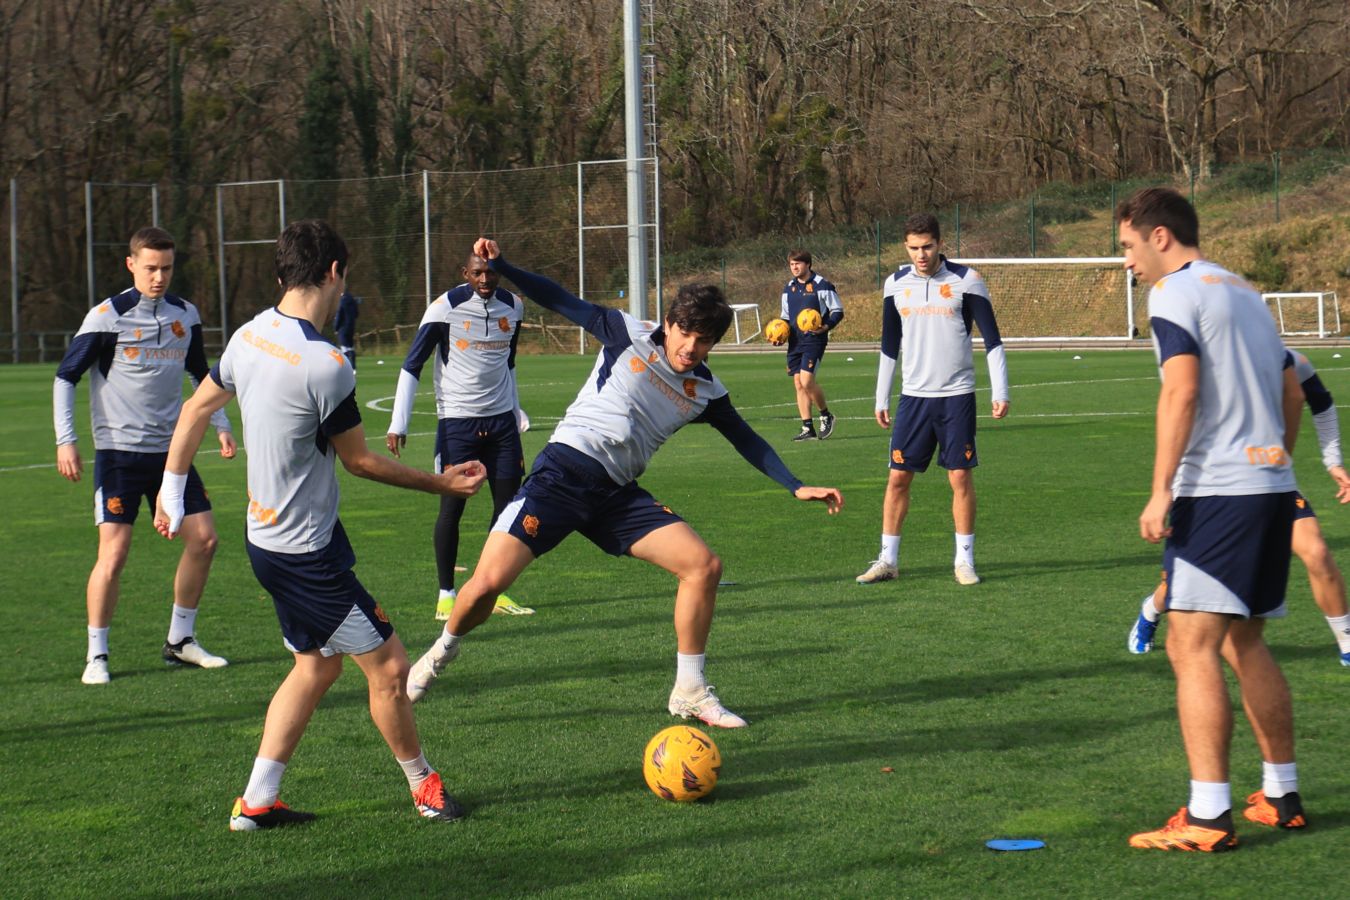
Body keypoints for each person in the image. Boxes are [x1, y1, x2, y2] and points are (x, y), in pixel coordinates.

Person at [406, 238, 844, 728]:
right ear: (670, 323)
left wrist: (794, 484)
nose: (690, 349)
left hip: (616, 495)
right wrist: (503, 266)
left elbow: (748, 440)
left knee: (703, 566)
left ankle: (690, 691)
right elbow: (558, 298)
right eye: (685, 334)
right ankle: (441, 652)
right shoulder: (623, 332)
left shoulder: (705, 389)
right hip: (561, 475)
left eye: (703, 342)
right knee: (486, 585)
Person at [153, 220, 487, 830]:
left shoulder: (249, 335)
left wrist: (171, 492)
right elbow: (358, 461)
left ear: (283, 273)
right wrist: (444, 482)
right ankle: (425, 789)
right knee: (389, 669)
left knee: (315, 666)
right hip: (305, 555)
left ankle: (256, 802)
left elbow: (195, 407)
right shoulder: (325, 363)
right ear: (335, 273)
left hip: (269, 542)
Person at [1120, 187, 1307, 852]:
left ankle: (1207, 816)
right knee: (1244, 641)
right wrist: (1275, 462)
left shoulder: (1174, 293)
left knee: (1189, 645)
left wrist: (1159, 489)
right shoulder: (1247, 292)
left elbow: (1183, 387)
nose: (1128, 263)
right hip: (1269, 485)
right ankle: (1281, 794)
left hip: (1218, 492)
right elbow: (1293, 390)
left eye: (1128, 246)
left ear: (1160, 236)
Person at [54, 226, 235, 685]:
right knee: (113, 555)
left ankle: (180, 641)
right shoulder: (105, 318)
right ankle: (97, 655)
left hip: (172, 453)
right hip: (118, 455)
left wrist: (221, 425)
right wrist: (65, 440)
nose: (159, 277)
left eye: (167, 268)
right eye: (150, 267)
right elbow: (65, 377)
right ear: (131, 264)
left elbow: (201, 374)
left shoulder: (185, 315)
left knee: (205, 539)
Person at [1129, 349, 1350, 666]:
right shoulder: (1202, 361)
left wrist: (1333, 462)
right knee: (1189, 584)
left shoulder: (1290, 360)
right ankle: (1151, 609)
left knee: (1315, 551)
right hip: (1208, 488)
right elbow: (1176, 411)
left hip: (1269, 480)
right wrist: (1164, 491)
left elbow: (1320, 403)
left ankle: (1346, 642)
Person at [856, 214, 1008, 587]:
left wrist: (1000, 389)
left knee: (959, 476)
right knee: (897, 479)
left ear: (940, 244)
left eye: (927, 247)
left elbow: (992, 340)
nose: (920, 255)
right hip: (913, 398)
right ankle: (888, 560)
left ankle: (964, 561)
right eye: (913, 248)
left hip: (956, 396)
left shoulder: (966, 281)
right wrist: (881, 396)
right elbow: (889, 344)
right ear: (905, 247)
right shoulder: (895, 285)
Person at [386, 252, 535, 619]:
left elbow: (509, 364)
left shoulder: (514, 307)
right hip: (458, 424)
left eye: (492, 272)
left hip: (501, 424)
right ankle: (446, 594)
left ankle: (495, 590)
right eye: (478, 272)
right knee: (452, 508)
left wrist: (516, 409)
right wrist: (398, 422)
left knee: (507, 510)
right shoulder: (444, 308)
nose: (485, 279)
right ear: (465, 273)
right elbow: (412, 364)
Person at [775, 250, 844, 441]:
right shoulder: (789, 288)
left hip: (814, 339)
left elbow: (837, 310)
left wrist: (826, 326)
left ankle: (826, 415)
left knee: (806, 381)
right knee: (798, 384)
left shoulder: (822, 285)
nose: (794, 267)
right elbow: (786, 317)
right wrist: (780, 334)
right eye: (791, 264)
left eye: (798, 263)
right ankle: (808, 428)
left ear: (808, 264)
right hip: (795, 341)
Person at [334, 287, 360, 368]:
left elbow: (339, 315)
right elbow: (356, 313)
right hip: (351, 327)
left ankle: (346, 367)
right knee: (350, 347)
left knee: (344, 347)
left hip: (342, 327)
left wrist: (336, 327)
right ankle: (353, 367)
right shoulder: (352, 300)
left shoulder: (341, 301)